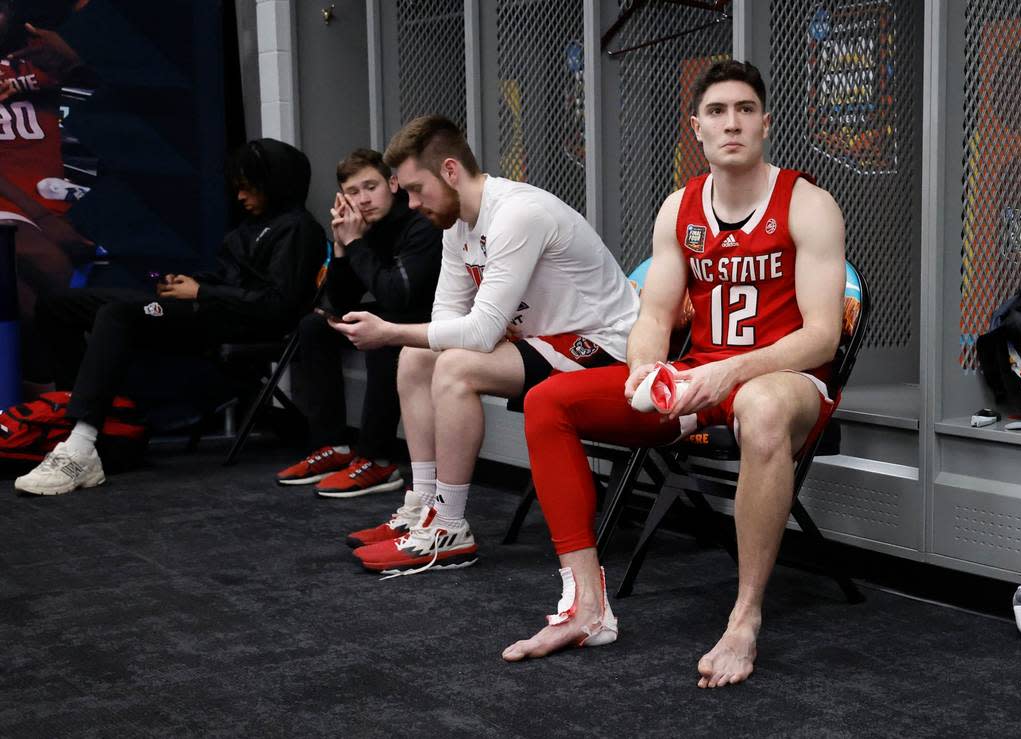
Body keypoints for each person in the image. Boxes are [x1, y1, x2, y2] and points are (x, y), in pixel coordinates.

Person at [501, 60, 847, 689]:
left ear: (766, 123)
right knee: (548, 400)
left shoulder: (808, 202)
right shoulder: (678, 209)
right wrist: (642, 371)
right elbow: (655, 313)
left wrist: (732, 373)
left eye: (745, 109)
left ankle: (744, 618)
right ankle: (587, 606)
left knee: (762, 405)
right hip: (699, 380)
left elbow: (822, 335)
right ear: (697, 128)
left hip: (787, 379)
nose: (732, 122)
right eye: (717, 112)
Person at [329, 115, 640, 575]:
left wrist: (390, 331)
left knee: (453, 366)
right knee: (417, 357)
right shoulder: (457, 225)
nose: (411, 203)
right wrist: (407, 339)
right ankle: (424, 505)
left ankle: (450, 526)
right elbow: (445, 320)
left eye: (417, 189)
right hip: (545, 341)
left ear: (450, 171)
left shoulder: (518, 213)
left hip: (603, 347)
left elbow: (476, 333)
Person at [15, 138, 326, 496]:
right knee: (59, 304)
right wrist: (191, 284)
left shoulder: (300, 229)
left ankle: (82, 448)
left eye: (249, 186)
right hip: (206, 309)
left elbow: (277, 305)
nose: (240, 195)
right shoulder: (247, 229)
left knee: (117, 314)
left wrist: (202, 292)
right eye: (237, 186)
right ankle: (76, 428)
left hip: (237, 323)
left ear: (274, 182)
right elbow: (228, 279)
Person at [275, 148, 442, 497]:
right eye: (353, 192)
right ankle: (333, 446)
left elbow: (399, 297)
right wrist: (341, 247)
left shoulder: (419, 224)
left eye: (371, 187)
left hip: (433, 321)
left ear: (393, 183)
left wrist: (355, 243)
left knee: (380, 330)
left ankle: (377, 461)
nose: (363, 199)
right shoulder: (362, 229)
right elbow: (341, 301)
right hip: (396, 313)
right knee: (314, 326)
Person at [0, 0, 96, 379]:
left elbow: (95, 92)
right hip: (14, 207)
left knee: (37, 309)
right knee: (48, 275)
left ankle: (58, 406)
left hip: (52, 203)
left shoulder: (41, 51)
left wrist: (71, 60)